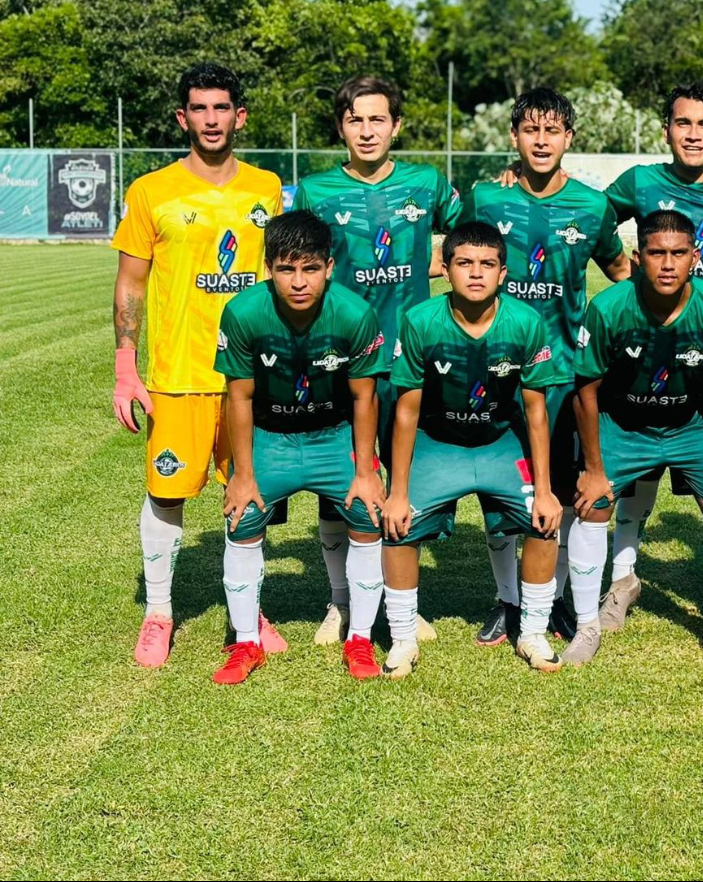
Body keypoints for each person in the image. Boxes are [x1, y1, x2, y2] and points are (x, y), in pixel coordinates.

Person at [111, 62, 284, 668]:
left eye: (222, 108)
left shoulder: (267, 187)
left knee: (248, 496)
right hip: (178, 376)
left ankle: (247, 609)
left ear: (239, 116)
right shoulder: (151, 190)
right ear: (184, 118)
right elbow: (131, 283)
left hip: (247, 376)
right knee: (168, 493)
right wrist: (125, 368)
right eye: (199, 109)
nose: (211, 120)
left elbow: (280, 279)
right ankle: (159, 612)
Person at [458, 87, 630, 647]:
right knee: (500, 493)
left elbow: (621, 272)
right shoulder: (486, 196)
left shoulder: (591, 204)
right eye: (530, 131)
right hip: (494, 371)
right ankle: (507, 600)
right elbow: (456, 260)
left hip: (562, 377)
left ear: (568, 139)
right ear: (514, 138)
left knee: (561, 491)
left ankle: (552, 599)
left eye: (551, 131)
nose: (540, 141)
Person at [291, 75, 459, 645]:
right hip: (340, 362)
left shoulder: (428, 183)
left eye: (377, 119)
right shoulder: (314, 192)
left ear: (396, 125)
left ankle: (398, 599)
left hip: (412, 362)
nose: (366, 130)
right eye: (355, 120)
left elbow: (473, 239)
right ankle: (342, 602)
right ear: (341, 126)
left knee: (403, 481)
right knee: (344, 485)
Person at [563, 210, 703, 666]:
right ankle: (587, 625)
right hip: (622, 423)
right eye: (656, 253)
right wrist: (592, 469)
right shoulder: (608, 308)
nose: (667, 263)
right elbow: (585, 391)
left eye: (678, 254)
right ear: (636, 258)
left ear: (695, 257)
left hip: (688, 425)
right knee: (592, 505)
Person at [380, 222, 565, 676]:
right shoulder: (421, 321)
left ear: (503, 273)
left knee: (543, 520)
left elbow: (536, 413)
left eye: (487, 264)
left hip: (500, 442)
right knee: (398, 525)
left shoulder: (524, 322)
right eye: (464, 263)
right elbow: (405, 413)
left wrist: (545, 488)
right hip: (438, 444)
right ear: (444, 270)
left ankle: (534, 634)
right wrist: (397, 490)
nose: (476, 273)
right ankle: (403, 637)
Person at [212, 211, 388, 683]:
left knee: (369, 513)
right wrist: (243, 474)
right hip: (272, 438)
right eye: (286, 269)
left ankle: (362, 639)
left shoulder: (354, 312)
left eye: (310, 268)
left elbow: (364, 396)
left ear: (329, 267)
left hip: (334, 436)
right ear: (268, 268)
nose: (298, 281)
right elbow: (240, 397)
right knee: (241, 516)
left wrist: (367, 469)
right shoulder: (244, 311)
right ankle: (246, 642)